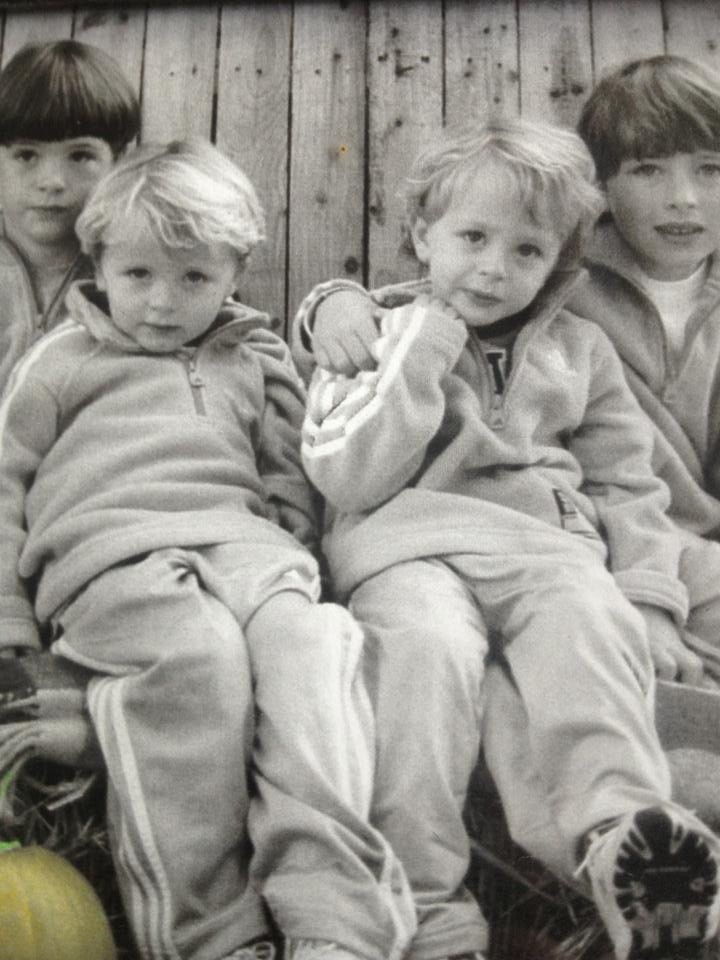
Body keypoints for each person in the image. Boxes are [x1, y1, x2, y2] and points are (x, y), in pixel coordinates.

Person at [298, 118, 720, 960]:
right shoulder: (364, 334)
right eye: (473, 238)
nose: (494, 267)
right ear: (423, 234)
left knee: (592, 623)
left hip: (546, 553)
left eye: (527, 252)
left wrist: (652, 601)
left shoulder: (581, 348)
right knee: (423, 656)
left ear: (560, 261)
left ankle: (625, 836)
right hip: (407, 552)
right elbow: (348, 479)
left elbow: (627, 486)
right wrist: (418, 345)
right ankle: (425, 899)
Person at [0, 140, 415, 960]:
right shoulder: (62, 361)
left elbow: (292, 470)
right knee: (196, 661)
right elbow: (2, 483)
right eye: (139, 276)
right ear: (101, 264)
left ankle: (333, 921)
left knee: (312, 645)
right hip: (112, 557)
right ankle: (208, 934)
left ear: (235, 272)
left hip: (245, 545)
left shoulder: (254, 357)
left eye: (194, 278)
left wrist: (296, 546)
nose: (162, 302)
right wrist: (9, 629)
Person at [0, 38, 140, 394]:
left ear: (119, 163)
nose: (52, 182)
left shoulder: (145, 269)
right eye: (26, 155)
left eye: (79, 156)